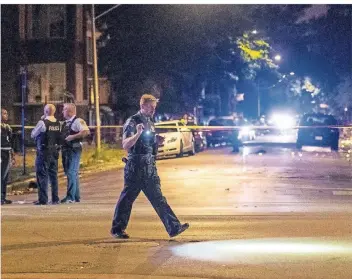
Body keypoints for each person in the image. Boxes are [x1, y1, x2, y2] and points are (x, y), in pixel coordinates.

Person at [111, 94, 189, 239]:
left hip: (149, 166)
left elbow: (147, 141)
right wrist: (138, 134)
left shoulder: (150, 121)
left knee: (158, 198)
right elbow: (126, 144)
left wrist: (156, 141)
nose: (153, 110)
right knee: (127, 198)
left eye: (154, 108)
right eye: (151, 107)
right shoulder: (133, 122)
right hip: (136, 166)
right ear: (143, 106)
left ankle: (174, 227)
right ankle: (117, 229)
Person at [31, 104, 61, 205]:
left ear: (45, 112)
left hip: (44, 152)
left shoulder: (42, 122)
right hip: (54, 152)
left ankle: (43, 199)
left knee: (42, 176)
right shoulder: (57, 123)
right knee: (54, 176)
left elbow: (33, 134)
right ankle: (55, 198)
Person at [60, 103, 90, 203]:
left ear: (69, 111)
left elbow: (86, 131)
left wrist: (72, 137)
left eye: (64, 109)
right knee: (72, 173)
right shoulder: (65, 123)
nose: (62, 111)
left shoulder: (78, 121)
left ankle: (70, 197)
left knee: (71, 172)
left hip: (74, 149)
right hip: (66, 150)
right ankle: (76, 196)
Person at [1, 108, 15, 205]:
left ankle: (3, 196)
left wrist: (13, 154)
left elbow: (11, 141)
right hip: (1, 151)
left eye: (6, 113)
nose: (6, 115)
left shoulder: (7, 127)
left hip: (7, 152)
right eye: (4, 113)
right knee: (1, 175)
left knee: (5, 176)